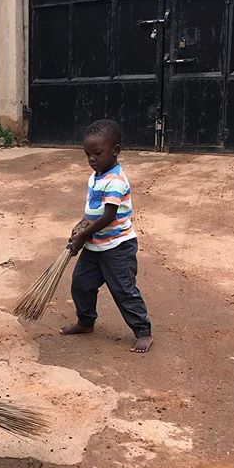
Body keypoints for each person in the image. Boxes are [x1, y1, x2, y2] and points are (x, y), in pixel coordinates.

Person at [61, 119, 153, 353]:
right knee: (81, 285)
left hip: (117, 247)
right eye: (88, 154)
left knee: (124, 289)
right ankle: (86, 321)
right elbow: (93, 210)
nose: (92, 159)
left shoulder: (115, 181)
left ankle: (143, 330)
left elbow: (109, 216)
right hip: (95, 245)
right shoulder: (97, 176)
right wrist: (81, 225)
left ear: (115, 151)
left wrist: (83, 236)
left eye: (98, 153)